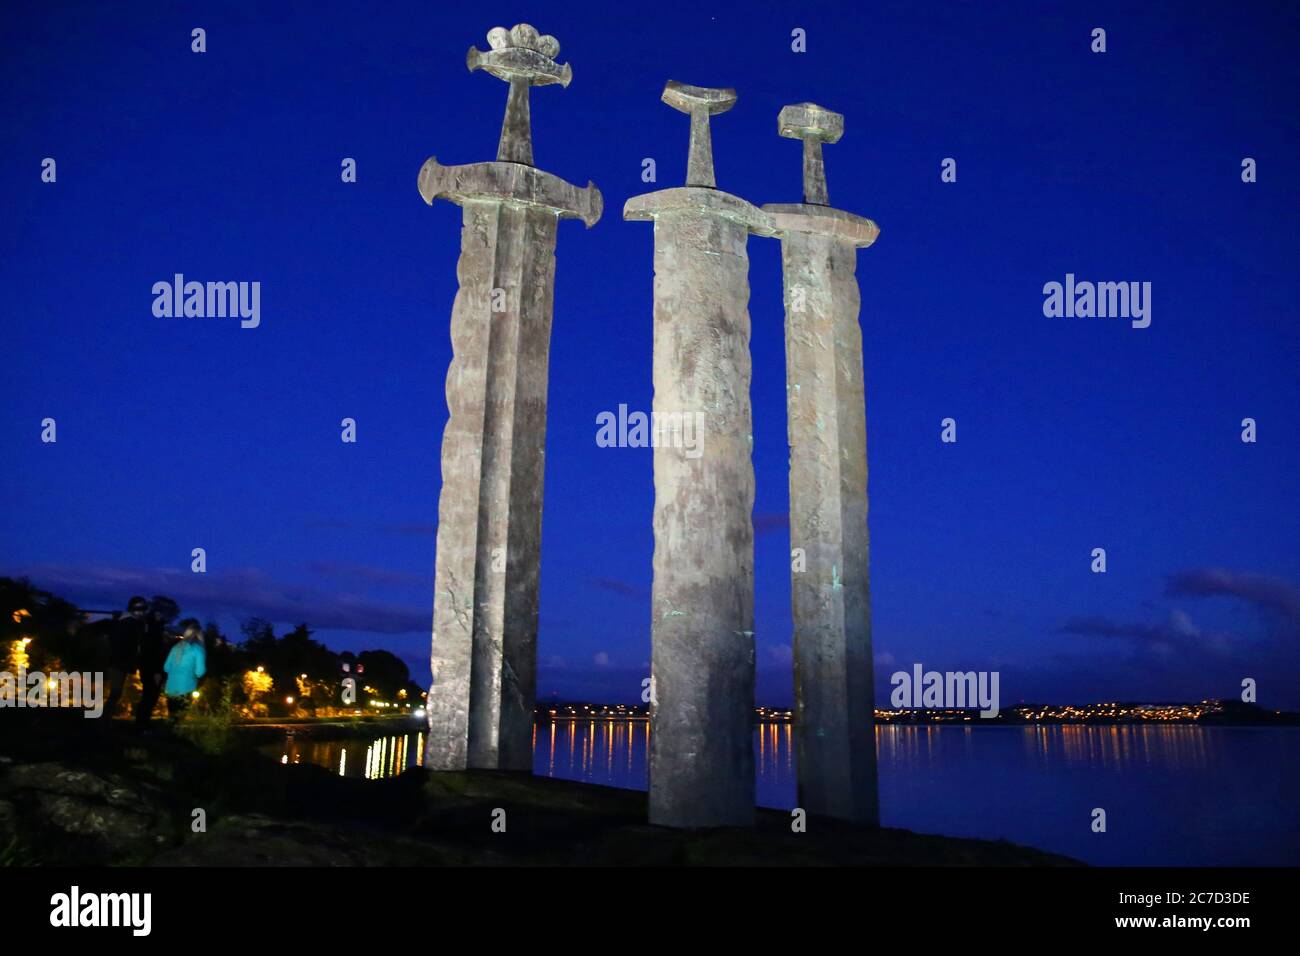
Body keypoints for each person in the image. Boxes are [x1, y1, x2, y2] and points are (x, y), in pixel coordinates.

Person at [105, 596, 148, 719]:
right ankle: (103, 721)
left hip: (120, 662)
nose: (141, 612)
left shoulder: (132, 623)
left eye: (143, 609)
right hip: (118, 662)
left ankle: (104, 721)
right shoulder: (127, 623)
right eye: (139, 608)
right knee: (115, 693)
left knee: (116, 693)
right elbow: (122, 643)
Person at [134, 602, 172, 728]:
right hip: (152, 669)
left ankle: (141, 724)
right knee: (150, 697)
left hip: (148, 668)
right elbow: (154, 652)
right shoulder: (154, 630)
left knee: (148, 697)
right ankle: (142, 725)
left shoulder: (150, 628)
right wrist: (156, 671)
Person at [162, 622, 206, 724]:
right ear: (200, 636)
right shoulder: (198, 649)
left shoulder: (176, 647)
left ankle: (168, 736)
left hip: (170, 688)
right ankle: (176, 738)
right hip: (186, 687)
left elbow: (166, 668)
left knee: (172, 716)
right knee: (180, 718)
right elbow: (200, 672)